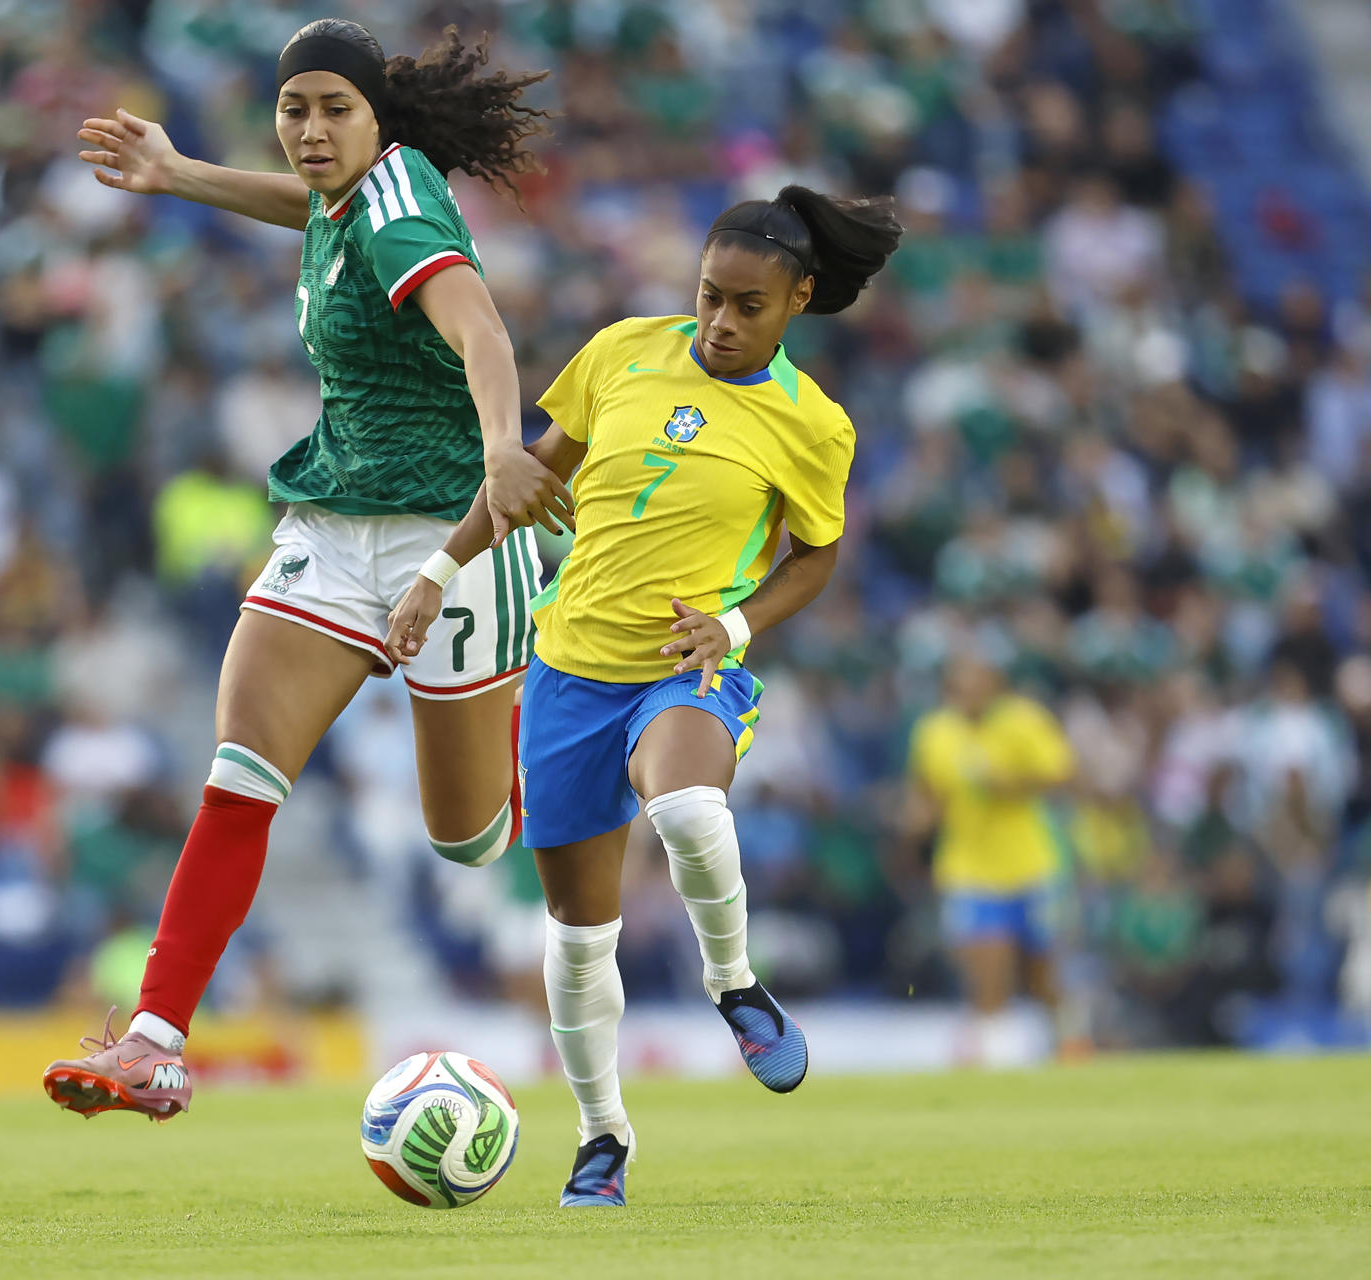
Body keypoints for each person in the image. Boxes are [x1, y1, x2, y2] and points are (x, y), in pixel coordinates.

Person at [43, 20, 573, 1122]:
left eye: (336, 108)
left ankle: (565, 696)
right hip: (332, 525)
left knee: (467, 837)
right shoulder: (350, 204)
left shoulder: (402, 198)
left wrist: (499, 448)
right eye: (296, 110)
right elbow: (319, 216)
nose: (313, 129)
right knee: (240, 770)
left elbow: (479, 328)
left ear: (379, 120)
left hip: (455, 531)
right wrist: (182, 172)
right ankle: (153, 1039)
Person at [387, 187, 902, 1205]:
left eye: (748, 305)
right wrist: (436, 574)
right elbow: (531, 471)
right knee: (580, 939)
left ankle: (733, 983)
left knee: (686, 806)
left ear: (797, 298)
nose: (719, 320)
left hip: (688, 663)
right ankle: (602, 1136)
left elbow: (817, 557)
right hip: (568, 670)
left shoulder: (813, 425)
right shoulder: (623, 349)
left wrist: (738, 625)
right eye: (709, 294)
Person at [907, 655, 1075, 1065]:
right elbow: (927, 794)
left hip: (1031, 866)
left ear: (995, 684)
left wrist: (1009, 784)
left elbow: (1061, 776)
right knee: (988, 971)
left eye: (976, 685)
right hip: (969, 869)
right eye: (960, 687)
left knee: (1042, 977)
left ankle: (1068, 1047)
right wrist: (917, 820)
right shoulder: (935, 733)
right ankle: (995, 1057)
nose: (968, 695)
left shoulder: (1023, 721)